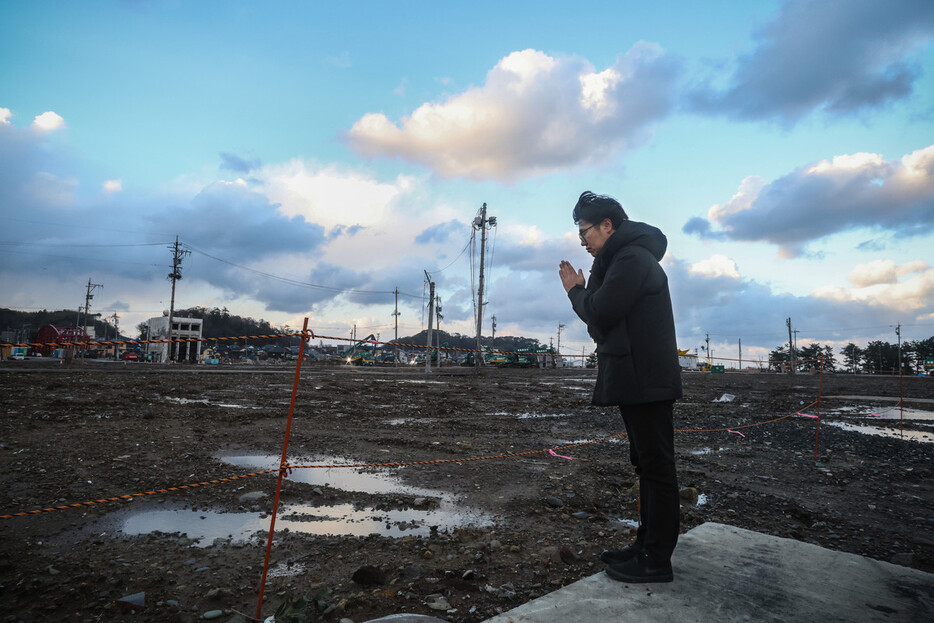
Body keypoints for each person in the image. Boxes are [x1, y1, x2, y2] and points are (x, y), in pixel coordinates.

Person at [558, 191, 682, 583]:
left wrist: (576, 292)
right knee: (646, 464)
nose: (582, 239)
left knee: (657, 467)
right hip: (638, 378)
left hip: (646, 379)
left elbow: (598, 312)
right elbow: (599, 323)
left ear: (607, 226)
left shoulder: (631, 259)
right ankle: (645, 547)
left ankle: (657, 559)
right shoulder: (617, 261)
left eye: (585, 231)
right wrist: (589, 299)